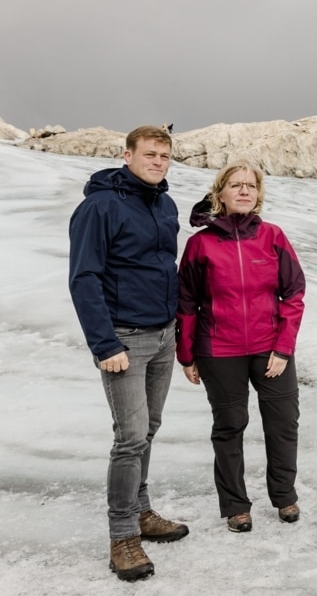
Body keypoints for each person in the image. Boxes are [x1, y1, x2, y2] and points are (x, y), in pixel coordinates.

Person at [68, 125, 190, 583]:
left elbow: (159, 263)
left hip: (162, 335)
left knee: (149, 430)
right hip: (124, 339)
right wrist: (105, 345)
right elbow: (84, 278)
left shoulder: (165, 204)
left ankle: (141, 511)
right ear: (127, 154)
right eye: (150, 154)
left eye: (164, 156)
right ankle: (122, 536)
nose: (158, 162)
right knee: (131, 437)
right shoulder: (99, 206)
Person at [176, 160, 306, 534]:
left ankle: (284, 495)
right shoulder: (200, 244)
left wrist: (283, 349)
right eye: (236, 185)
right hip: (219, 350)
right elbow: (186, 302)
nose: (244, 191)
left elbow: (293, 293)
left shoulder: (273, 237)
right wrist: (186, 355)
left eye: (250, 185)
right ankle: (236, 506)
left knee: (283, 425)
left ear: (258, 194)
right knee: (230, 426)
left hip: (270, 350)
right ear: (220, 194)